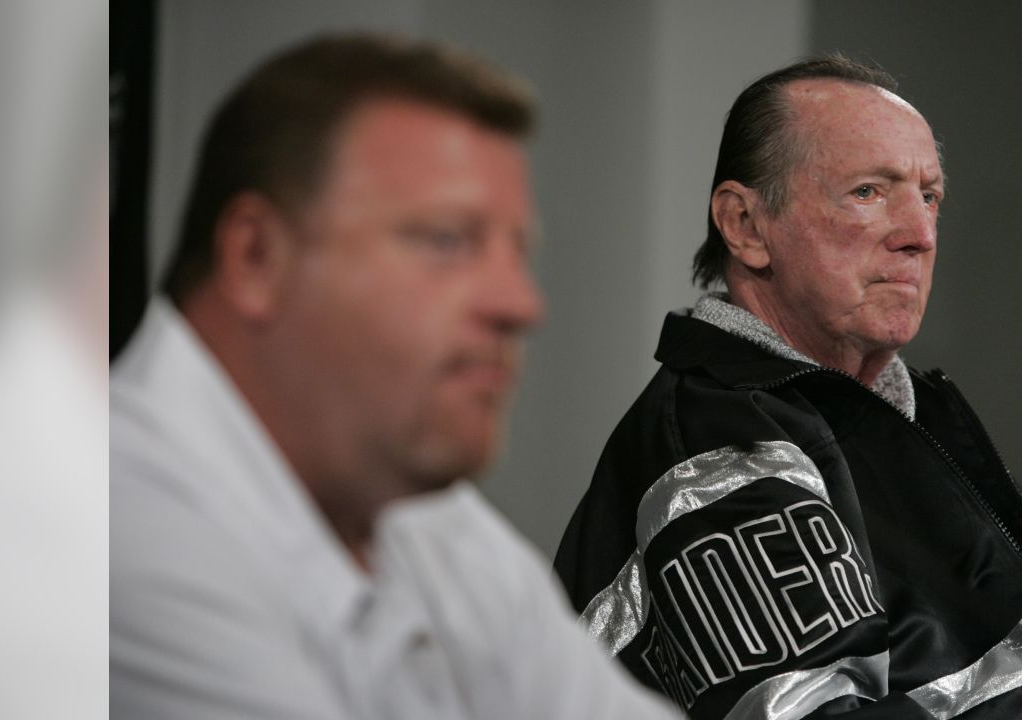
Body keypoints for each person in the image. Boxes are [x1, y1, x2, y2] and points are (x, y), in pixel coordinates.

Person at [110, 34, 679, 720]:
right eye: (447, 240)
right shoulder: (111, 525)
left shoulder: (426, 514)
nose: (521, 303)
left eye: (517, 251)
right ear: (255, 256)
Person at [553, 55, 1022, 719]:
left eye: (929, 196)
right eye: (869, 191)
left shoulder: (898, 411)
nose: (919, 235)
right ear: (746, 226)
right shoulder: (720, 447)